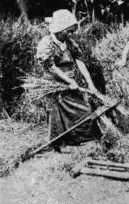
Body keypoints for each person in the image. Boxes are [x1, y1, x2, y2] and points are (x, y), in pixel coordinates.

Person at [36, 9, 102, 150]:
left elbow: (80, 62)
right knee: (58, 115)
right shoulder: (46, 43)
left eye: (72, 31)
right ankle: (59, 144)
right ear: (60, 29)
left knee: (84, 109)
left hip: (70, 83)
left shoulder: (69, 42)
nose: (71, 34)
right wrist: (69, 81)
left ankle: (78, 140)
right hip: (55, 83)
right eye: (69, 31)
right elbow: (51, 67)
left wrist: (90, 84)